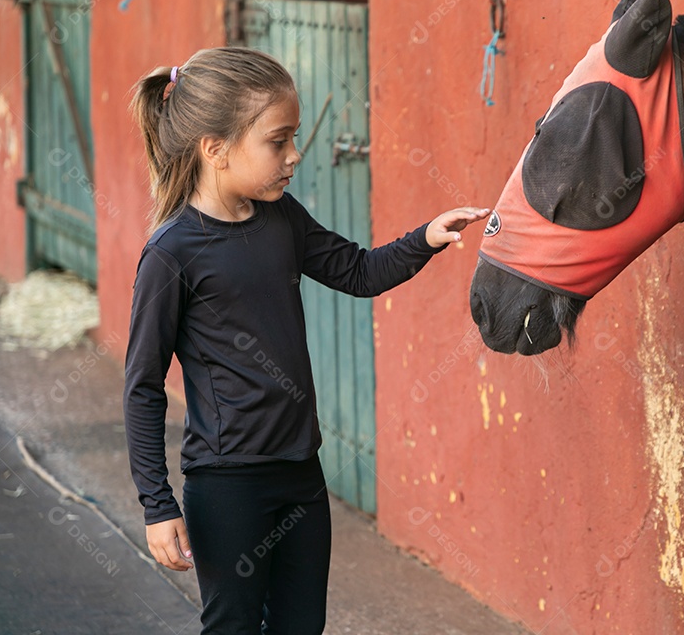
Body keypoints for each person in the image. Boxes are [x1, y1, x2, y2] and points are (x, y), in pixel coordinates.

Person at [123, 47, 488, 634]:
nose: (295, 155)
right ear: (215, 150)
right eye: (278, 141)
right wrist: (157, 506)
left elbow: (359, 271)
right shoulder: (172, 254)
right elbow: (142, 386)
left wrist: (426, 237)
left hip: (301, 475)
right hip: (228, 484)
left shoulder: (282, 218)